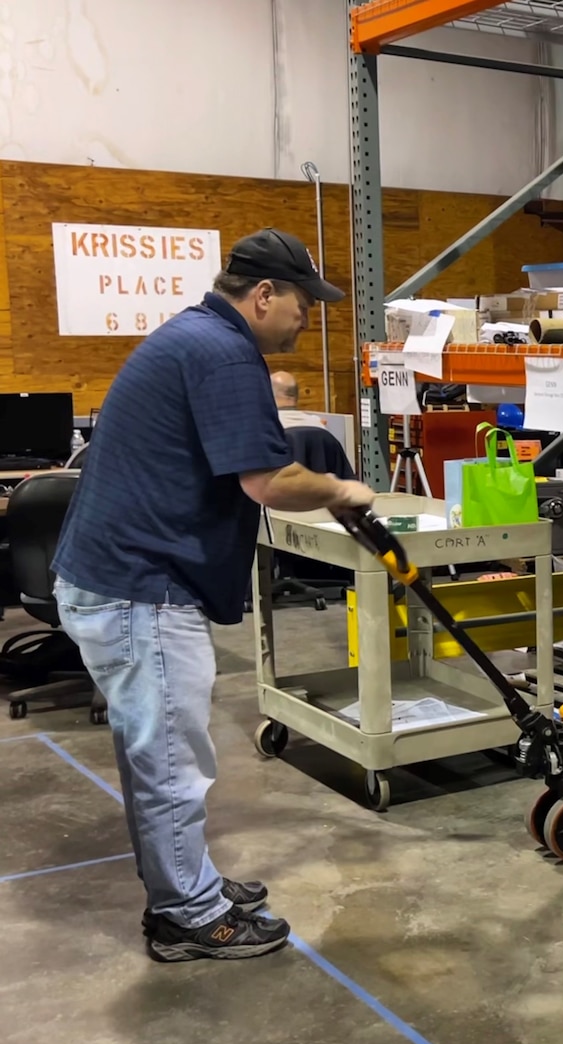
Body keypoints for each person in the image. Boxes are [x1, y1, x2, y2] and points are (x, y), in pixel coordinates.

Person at [51, 228, 375, 963]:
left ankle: (186, 886)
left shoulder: (197, 338)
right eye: (301, 303)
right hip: (139, 588)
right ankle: (188, 916)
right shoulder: (225, 352)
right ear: (263, 295)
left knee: (158, 753)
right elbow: (269, 482)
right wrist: (341, 488)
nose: (306, 318)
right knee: (171, 758)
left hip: (120, 578)